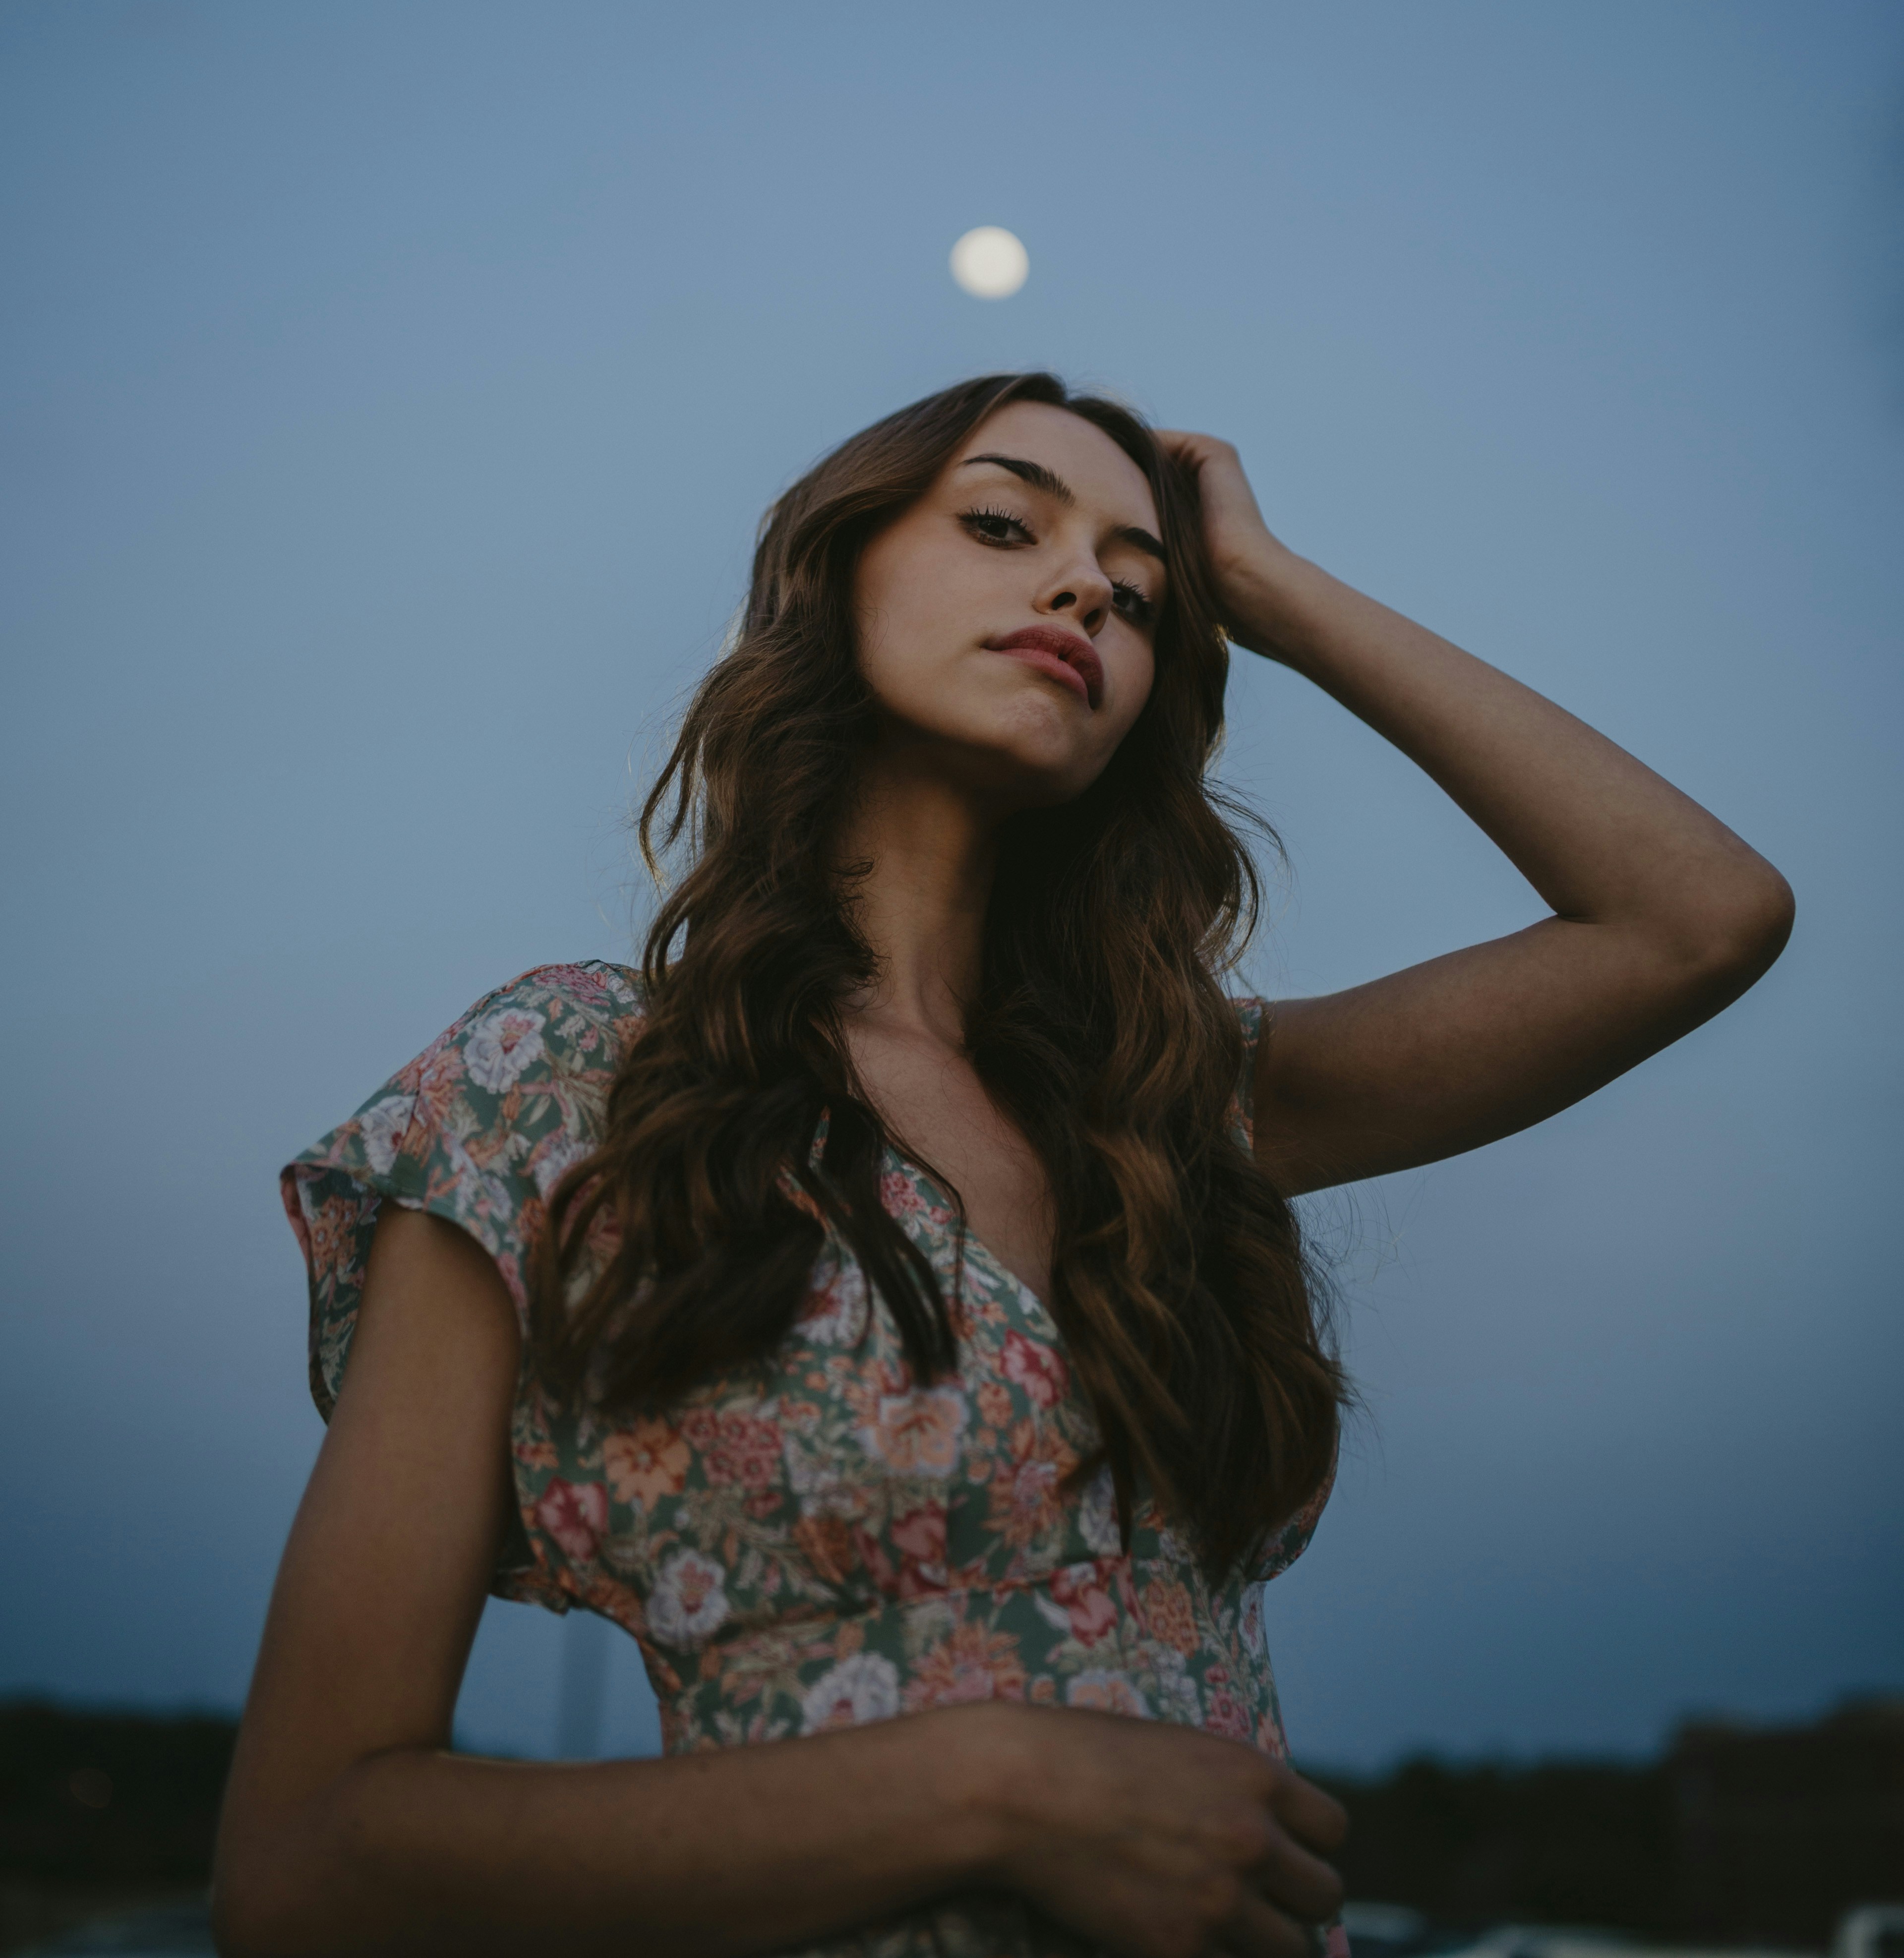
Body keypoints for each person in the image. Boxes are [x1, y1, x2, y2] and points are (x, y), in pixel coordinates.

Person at [212, 372, 1792, 1958]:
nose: (1082, 589)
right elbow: (305, 1865)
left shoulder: (1175, 1106)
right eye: (1000, 523)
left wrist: (1275, 594)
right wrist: (995, 1785)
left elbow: (1695, 919)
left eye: (1138, 593)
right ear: (832, 578)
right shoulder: (559, 1086)